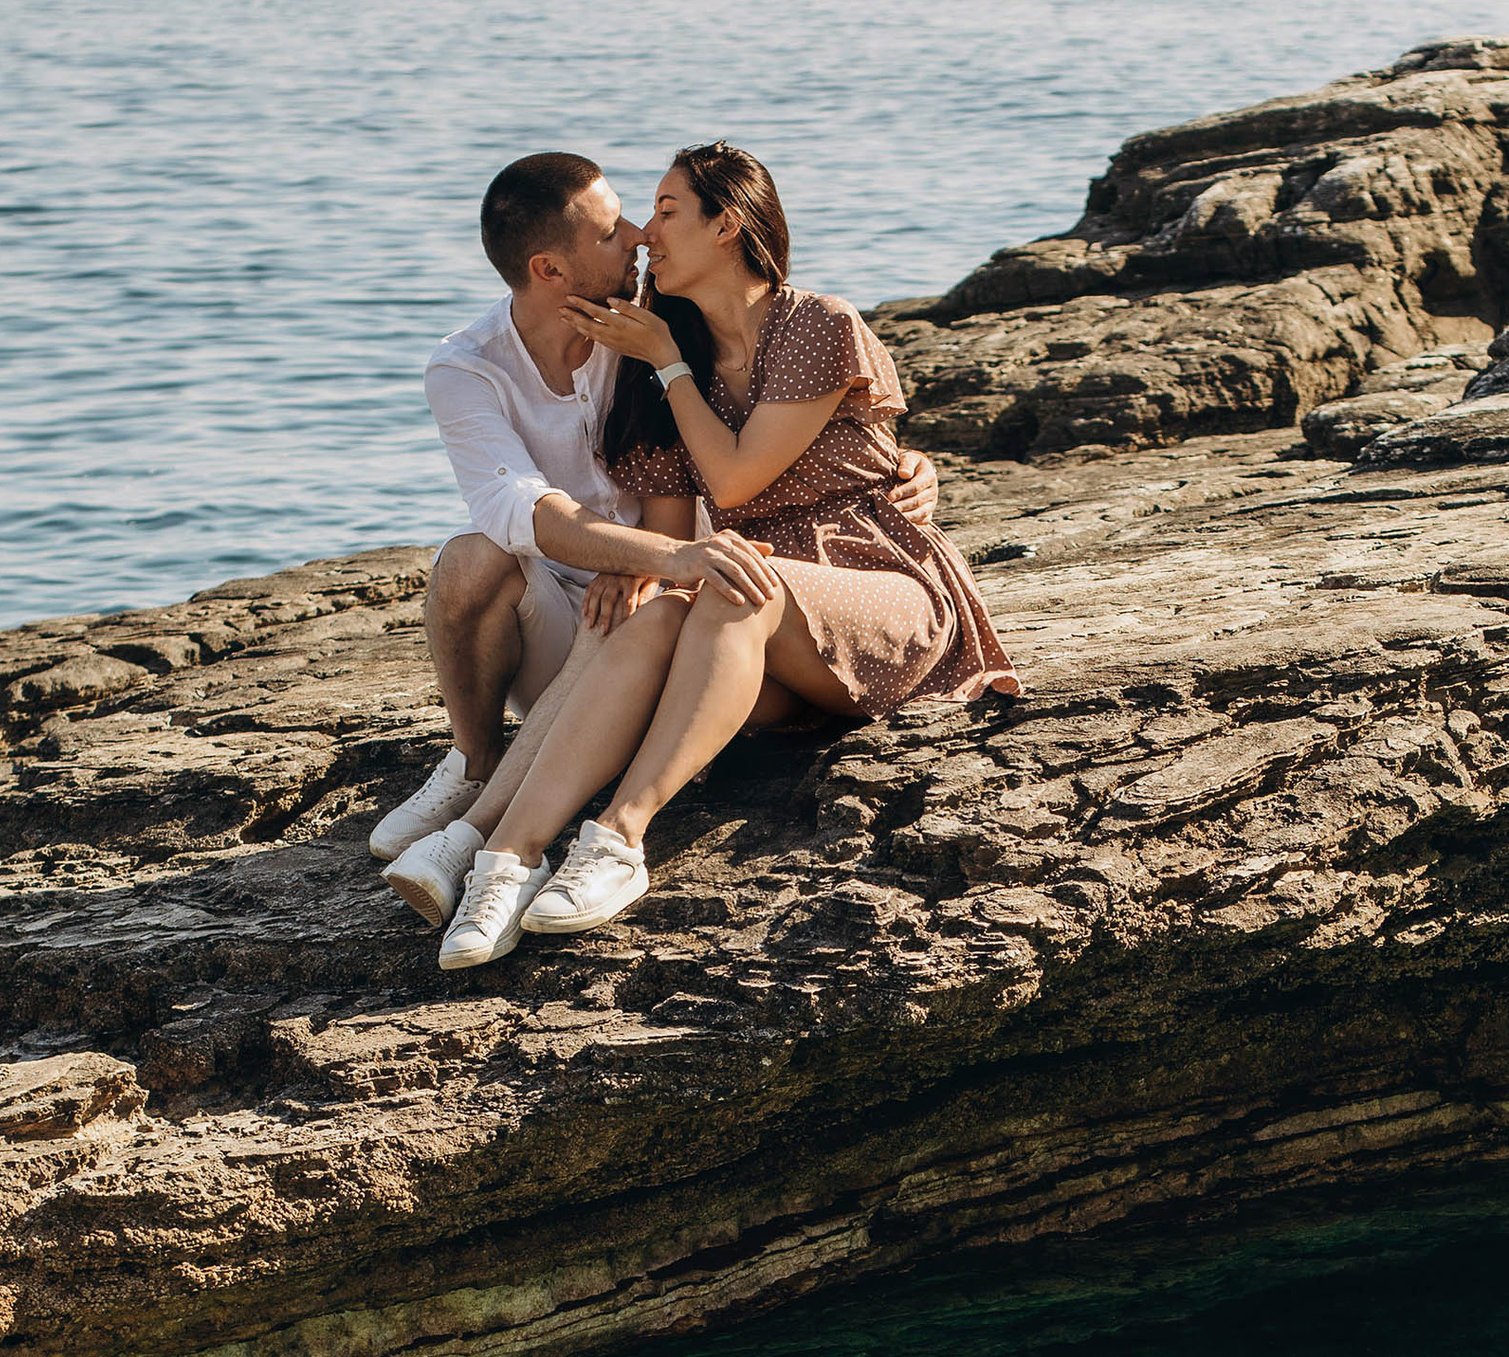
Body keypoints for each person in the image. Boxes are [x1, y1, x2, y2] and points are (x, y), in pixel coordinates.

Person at [429, 141, 1021, 971]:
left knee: (732, 577)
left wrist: (668, 367)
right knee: (668, 599)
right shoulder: (669, 361)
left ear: (728, 226)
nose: (644, 233)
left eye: (666, 211)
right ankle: (507, 861)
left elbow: (740, 476)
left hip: (880, 589)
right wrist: (636, 572)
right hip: (757, 623)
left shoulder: (816, 324)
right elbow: (674, 537)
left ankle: (618, 840)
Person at [367, 150, 656, 915]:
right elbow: (520, 512)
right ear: (549, 269)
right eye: (608, 233)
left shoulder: (656, 324)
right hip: (559, 621)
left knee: (633, 614)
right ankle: (474, 756)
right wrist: (656, 552)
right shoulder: (466, 366)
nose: (636, 236)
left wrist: (896, 456)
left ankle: (476, 833)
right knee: (469, 559)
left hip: (660, 616)